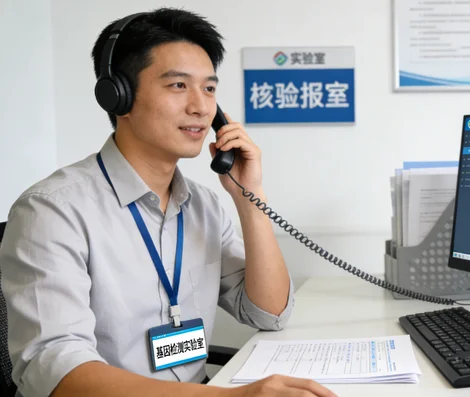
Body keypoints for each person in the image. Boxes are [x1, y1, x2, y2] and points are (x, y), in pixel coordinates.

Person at [0, 8, 336, 397]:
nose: (201, 107)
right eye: (179, 86)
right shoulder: (52, 210)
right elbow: (55, 371)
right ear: (118, 94)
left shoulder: (204, 205)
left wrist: (250, 197)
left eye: (209, 89)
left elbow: (269, 312)